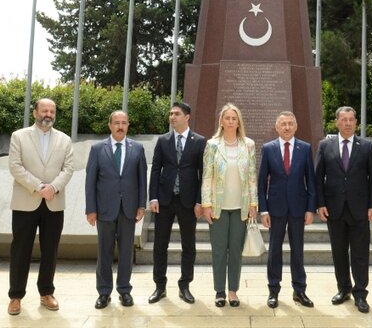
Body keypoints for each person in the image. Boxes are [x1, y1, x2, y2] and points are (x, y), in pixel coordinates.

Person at [7, 98, 74, 316]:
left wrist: (53, 188)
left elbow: (68, 168)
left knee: (50, 250)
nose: (48, 114)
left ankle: (46, 293)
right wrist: (38, 186)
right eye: (44, 110)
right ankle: (15, 296)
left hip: (54, 203)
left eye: (52, 111)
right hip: (26, 200)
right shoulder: (19, 136)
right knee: (20, 250)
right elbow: (15, 166)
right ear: (35, 112)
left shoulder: (64, 140)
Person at [315, 106, 372, 313]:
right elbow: (318, 178)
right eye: (344, 119)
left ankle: (361, 294)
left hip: (360, 209)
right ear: (336, 122)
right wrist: (320, 203)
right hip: (334, 209)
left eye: (352, 119)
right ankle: (343, 289)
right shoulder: (325, 145)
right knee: (339, 252)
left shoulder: (367, 147)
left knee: (360, 254)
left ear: (356, 122)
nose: (348, 123)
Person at [85, 110, 147, 309]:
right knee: (104, 251)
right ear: (109, 125)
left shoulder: (138, 148)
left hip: (129, 209)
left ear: (128, 125)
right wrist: (90, 209)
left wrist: (141, 205)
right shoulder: (97, 149)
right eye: (117, 123)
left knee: (127, 252)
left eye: (124, 123)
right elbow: (90, 181)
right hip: (104, 210)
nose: (121, 126)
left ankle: (124, 290)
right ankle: (104, 293)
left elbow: (141, 180)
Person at [148, 101, 206, 305]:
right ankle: (159, 286)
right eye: (171, 114)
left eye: (177, 114)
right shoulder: (163, 141)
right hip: (164, 200)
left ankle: (185, 285)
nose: (172, 117)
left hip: (188, 202)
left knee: (188, 245)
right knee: (159, 245)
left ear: (187, 117)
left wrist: (200, 201)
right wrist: (153, 197)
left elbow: (203, 173)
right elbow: (156, 169)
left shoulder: (199, 141)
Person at [258, 111, 317, 309]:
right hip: (275, 209)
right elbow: (261, 183)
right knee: (274, 251)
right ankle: (273, 290)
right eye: (283, 124)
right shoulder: (268, 149)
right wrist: (263, 210)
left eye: (290, 123)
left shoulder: (305, 148)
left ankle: (299, 290)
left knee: (298, 250)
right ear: (276, 127)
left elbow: (311, 181)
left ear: (296, 126)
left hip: (298, 208)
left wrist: (310, 209)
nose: (286, 127)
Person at [201, 103, 258, 308]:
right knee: (218, 250)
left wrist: (254, 203)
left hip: (240, 207)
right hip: (218, 207)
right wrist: (206, 204)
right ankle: (219, 291)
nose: (231, 121)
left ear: (238, 122)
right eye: (228, 118)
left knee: (235, 250)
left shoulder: (248, 144)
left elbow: (252, 176)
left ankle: (233, 290)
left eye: (234, 118)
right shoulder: (212, 145)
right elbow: (207, 176)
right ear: (222, 121)